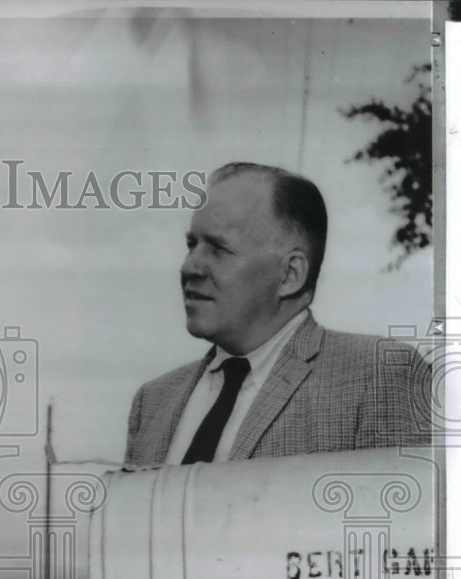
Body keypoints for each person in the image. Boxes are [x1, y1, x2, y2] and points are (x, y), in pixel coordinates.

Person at [125, 162, 431, 467]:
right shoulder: (152, 402)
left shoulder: (378, 376)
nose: (189, 267)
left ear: (290, 274)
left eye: (219, 249)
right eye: (192, 244)